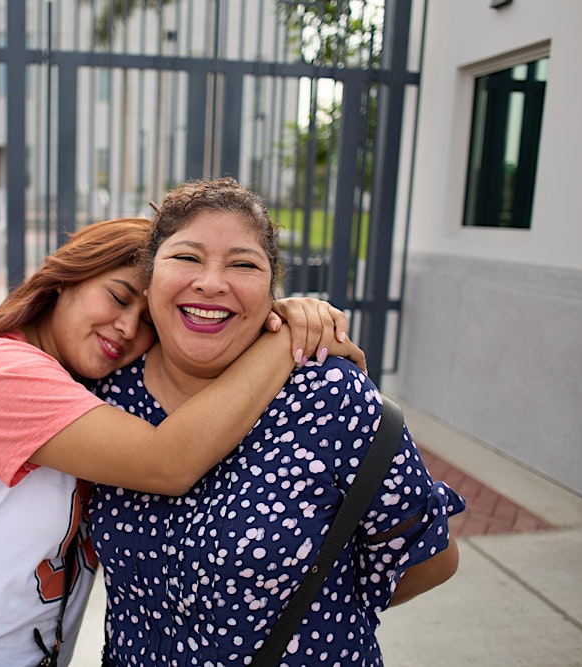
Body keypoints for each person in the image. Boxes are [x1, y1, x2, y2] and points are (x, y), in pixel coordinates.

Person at [0, 216, 364, 667]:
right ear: (65, 279)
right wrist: (282, 342)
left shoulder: (94, 385)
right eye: (117, 296)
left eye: (148, 321)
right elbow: (168, 462)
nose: (127, 328)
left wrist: (269, 313)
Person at [90, 178, 465, 666]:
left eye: (244, 265)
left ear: (272, 290)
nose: (211, 282)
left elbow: (430, 561)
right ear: (149, 276)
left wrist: (317, 616)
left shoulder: (330, 396)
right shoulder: (106, 394)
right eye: (186, 257)